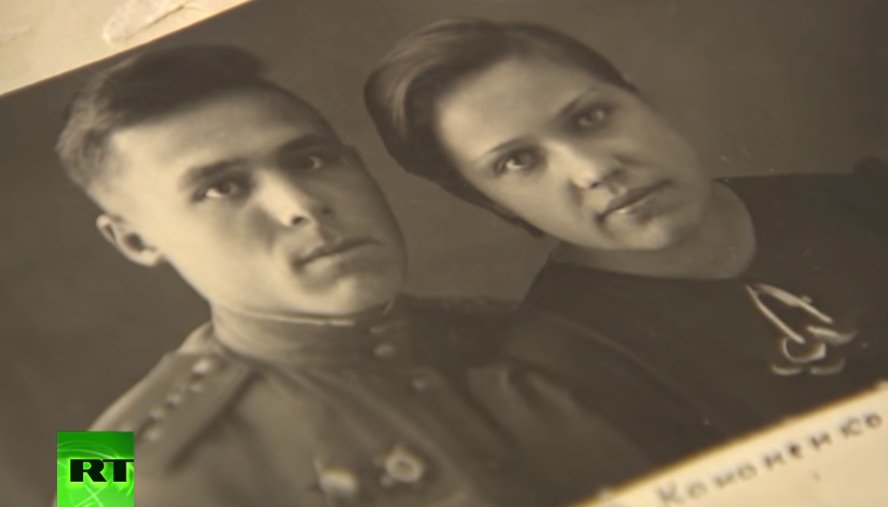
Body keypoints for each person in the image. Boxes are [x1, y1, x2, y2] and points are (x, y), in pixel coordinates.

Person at [53, 44, 665, 507]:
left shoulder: (539, 332)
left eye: (311, 160)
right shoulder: (100, 468)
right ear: (135, 240)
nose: (301, 205)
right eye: (222, 188)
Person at [364, 17, 888, 463]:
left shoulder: (864, 200)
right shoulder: (567, 373)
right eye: (519, 161)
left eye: (591, 118)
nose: (594, 170)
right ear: (493, 203)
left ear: (646, 103)